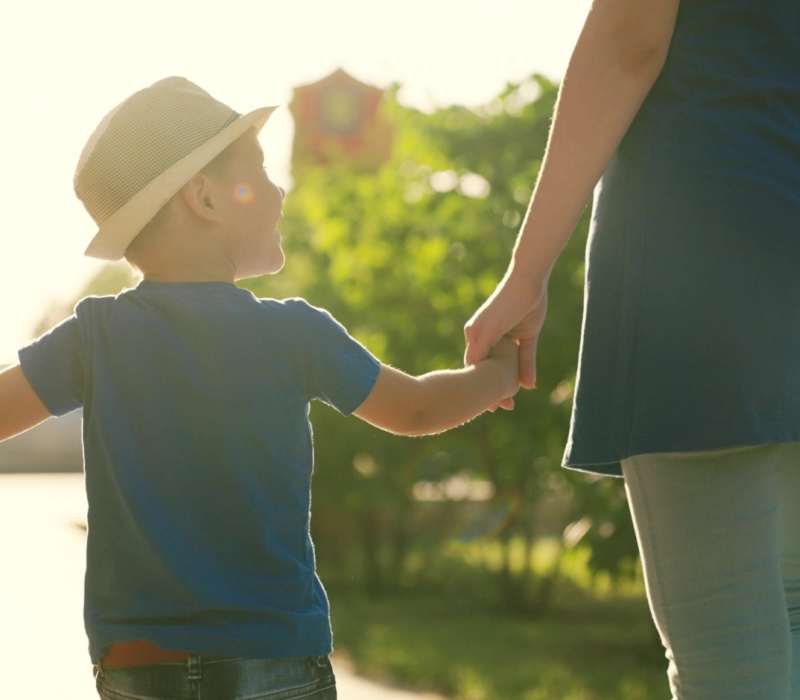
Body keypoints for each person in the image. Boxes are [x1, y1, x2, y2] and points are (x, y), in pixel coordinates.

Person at [0, 76, 519, 700]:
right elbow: (415, 408)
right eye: (262, 175)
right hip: (273, 660)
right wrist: (499, 372)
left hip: (140, 663)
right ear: (206, 199)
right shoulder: (293, 334)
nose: (279, 194)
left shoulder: (95, 337)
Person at [464, 0, 799, 698]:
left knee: (730, 658)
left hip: (703, 243)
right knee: (791, 619)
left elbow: (627, 41)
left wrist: (527, 272)